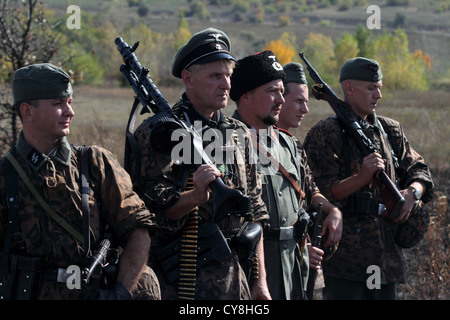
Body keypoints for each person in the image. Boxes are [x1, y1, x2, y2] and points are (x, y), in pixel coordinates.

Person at [131, 28, 271, 300]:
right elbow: (149, 214)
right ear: (188, 78)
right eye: (215, 76)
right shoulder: (160, 132)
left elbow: (255, 210)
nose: (226, 85)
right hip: (184, 284)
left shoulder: (240, 133)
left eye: (228, 76)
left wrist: (260, 281)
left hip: (237, 279)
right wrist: (194, 197)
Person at [0, 63, 160, 300]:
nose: (69, 112)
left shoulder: (94, 163)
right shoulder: (6, 174)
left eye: (70, 103)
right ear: (27, 111)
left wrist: (121, 292)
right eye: (58, 104)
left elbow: (139, 228)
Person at [303, 57, 434, 300]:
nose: (378, 95)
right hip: (346, 263)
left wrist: (411, 193)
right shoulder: (326, 133)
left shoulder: (390, 130)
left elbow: (420, 170)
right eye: (371, 88)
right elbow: (315, 193)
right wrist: (362, 177)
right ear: (350, 88)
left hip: (386, 260)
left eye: (380, 88)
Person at [230, 51, 342, 300]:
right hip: (252, 270)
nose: (281, 99)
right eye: (272, 91)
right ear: (246, 96)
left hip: (295, 268)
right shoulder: (225, 144)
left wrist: (332, 212)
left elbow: (309, 191)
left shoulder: (290, 144)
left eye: (282, 91)